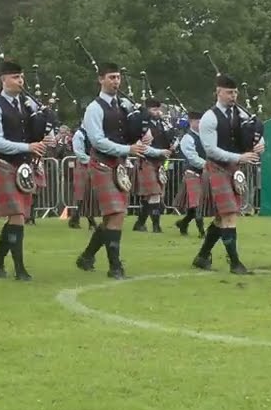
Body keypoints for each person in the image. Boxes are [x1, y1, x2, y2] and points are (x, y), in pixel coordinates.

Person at [74, 62, 149, 279]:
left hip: (119, 165)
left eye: (118, 77)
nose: (116, 82)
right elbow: (97, 141)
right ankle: (115, 267)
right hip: (102, 164)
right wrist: (128, 149)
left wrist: (143, 134)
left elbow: (128, 135)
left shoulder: (123, 106)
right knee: (117, 214)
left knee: (111, 217)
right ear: (101, 79)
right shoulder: (94, 108)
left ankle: (87, 257)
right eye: (111, 77)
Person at [0, 60, 48, 281]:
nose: (20, 81)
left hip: (23, 168)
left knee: (17, 217)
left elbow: (32, 135)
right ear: (3, 79)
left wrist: (44, 130)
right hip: (4, 165)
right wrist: (27, 147)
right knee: (17, 216)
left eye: (21, 77)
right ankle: (20, 269)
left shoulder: (26, 105)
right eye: (15, 77)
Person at [192, 75, 263, 274]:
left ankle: (202, 256)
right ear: (218, 92)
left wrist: (260, 144)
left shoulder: (241, 114)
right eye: (229, 92)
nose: (233, 96)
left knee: (221, 218)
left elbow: (255, 132)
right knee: (229, 214)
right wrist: (240, 157)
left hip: (234, 170)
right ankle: (235, 263)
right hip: (217, 168)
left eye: (235, 92)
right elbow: (211, 150)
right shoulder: (209, 117)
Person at [132, 98, 175, 233]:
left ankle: (139, 223)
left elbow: (169, 140)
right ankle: (156, 226)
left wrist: (172, 145)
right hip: (146, 161)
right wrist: (160, 152)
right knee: (155, 194)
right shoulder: (142, 125)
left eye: (158, 109)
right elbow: (142, 146)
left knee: (151, 196)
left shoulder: (162, 124)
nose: (158, 112)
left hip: (159, 163)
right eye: (154, 109)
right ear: (148, 110)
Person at [173, 110, 207, 237]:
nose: (200, 125)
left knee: (195, 206)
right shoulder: (187, 138)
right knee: (197, 204)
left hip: (204, 174)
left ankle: (183, 223)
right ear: (191, 122)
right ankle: (202, 232)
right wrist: (207, 165)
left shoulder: (205, 136)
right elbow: (192, 157)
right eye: (198, 122)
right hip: (192, 173)